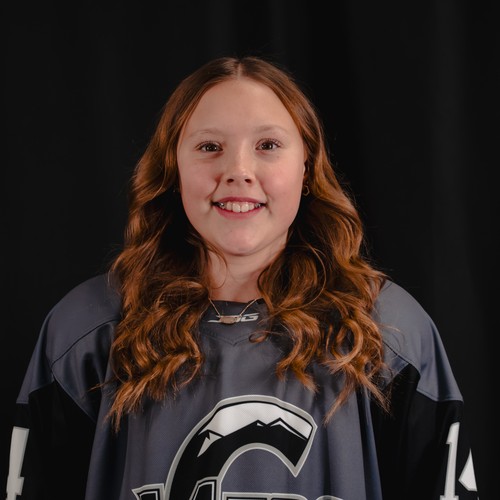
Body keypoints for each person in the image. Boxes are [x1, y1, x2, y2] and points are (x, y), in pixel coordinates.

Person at [5, 56, 479, 500]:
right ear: (174, 168)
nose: (238, 171)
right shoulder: (86, 330)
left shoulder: (387, 331)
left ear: (307, 167)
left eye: (267, 146)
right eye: (209, 147)